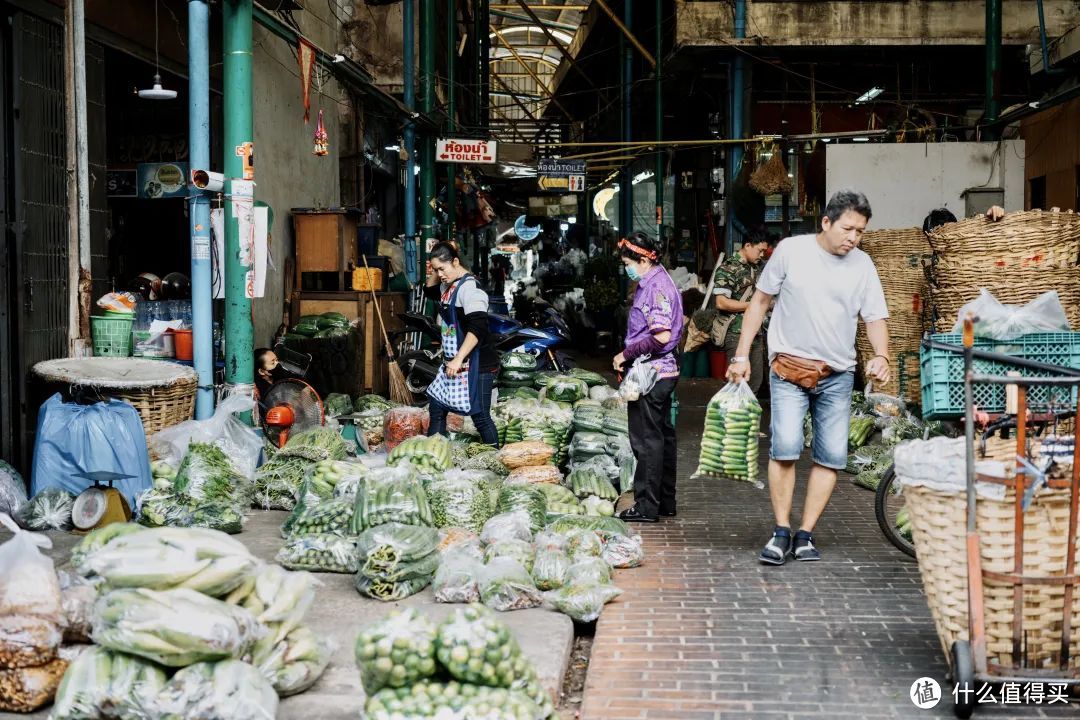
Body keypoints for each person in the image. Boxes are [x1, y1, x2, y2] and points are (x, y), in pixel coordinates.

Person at [727, 189, 891, 563]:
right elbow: (760, 303)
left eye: (861, 231)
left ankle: (805, 534)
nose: (853, 237)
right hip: (788, 369)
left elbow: (875, 317)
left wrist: (881, 355)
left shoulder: (863, 265)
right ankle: (781, 531)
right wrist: (741, 355)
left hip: (838, 375)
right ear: (827, 222)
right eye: (848, 228)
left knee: (831, 457)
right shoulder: (790, 251)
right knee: (784, 448)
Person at [612, 232, 684, 523]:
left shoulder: (657, 288)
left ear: (644, 260)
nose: (625, 268)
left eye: (628, 262)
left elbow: (661, 336)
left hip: (653, 372)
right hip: (662, 370)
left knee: (647, 439)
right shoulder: (655, 281)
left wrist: (624, 355)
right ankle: (665, 501)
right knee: (662, 437)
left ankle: (646, 506)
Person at [423, 242, 500, 447]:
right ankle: (434, 455)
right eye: (435, 270)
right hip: (453, 363)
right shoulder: (448, 286)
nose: (439, 274)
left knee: (480, 416)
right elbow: (429, 291)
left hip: (477, 364)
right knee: (437, 407)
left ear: (456, 262)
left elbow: (478, 328)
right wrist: (434, 265)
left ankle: (496, 460)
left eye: (442, 269)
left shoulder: (470, 289)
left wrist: (458, 359)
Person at [711, 234, 771, 395]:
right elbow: (721, 303)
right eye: (760, 250)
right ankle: (733, 417)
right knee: (739, 382)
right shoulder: (728, 268)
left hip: (756, 333)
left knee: (755, 381)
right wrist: (755, 307)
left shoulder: (756, 267)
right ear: (748, 245)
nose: (762, 255)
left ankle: (747, 417)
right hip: (735, 332)